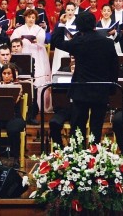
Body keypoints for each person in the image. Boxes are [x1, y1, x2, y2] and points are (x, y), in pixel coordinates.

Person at [51, 11, 119, 144]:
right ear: (94, 24)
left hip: (80, 89)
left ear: (79, 26)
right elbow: (114, 67)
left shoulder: (78, 42)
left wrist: (61, 24)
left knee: (78, 126)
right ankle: (94, 154)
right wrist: (111, 89)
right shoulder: (107, 43)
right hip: (101, 89)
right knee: (96, 126)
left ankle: (78, 155)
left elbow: (56, 41)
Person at [11, 8, 51, 92]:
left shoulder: (39, 29)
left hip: (37, 53)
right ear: (25, 17)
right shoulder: (19, 29)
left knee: (38, 73)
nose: (31, 19)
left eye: (33, 18)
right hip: (23, 53)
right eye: (29, 17)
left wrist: (36, 40)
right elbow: (13, 40)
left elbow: (42, 39)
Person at [51, 2, 77, 75]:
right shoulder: (60, 22)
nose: (70, 12)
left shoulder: (77, 22)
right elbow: (55, 36)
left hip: (72, 48)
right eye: (68, 10)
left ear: (75, 10)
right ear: (65, 10)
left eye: (72, 10)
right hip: (61, 48)